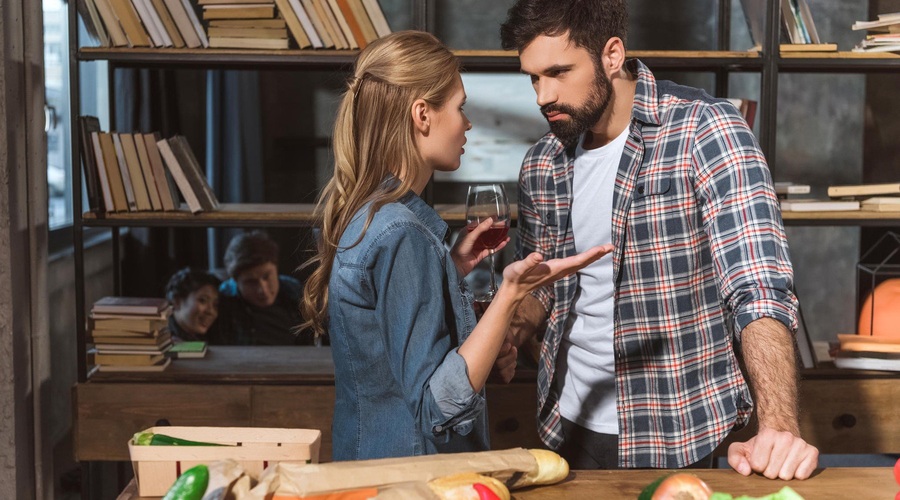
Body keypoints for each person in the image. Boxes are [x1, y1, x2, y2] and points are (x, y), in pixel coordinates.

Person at [498, 0, 819, 479]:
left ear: (611, 55)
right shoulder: (542, 163)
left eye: (559, 72)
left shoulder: (706, 130)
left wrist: (778, 425)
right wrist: (510, 328)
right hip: (565, 426)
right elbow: (543, 286)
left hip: (680, 430)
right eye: (533, 78)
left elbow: (758, 288)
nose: (543, 95)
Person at [300, 30, 612, 461]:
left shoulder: (375, 215)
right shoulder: (400, 233)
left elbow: (391, 345)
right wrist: (509, 296)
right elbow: (437, 407)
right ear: (422, 115)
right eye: (460, 107)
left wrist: (449, 269)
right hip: (410, 478)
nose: (467, 123)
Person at [218, 231, 316, 346]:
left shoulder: (293, 291)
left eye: (267, 276)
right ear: (236, 282)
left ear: (276, 268)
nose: (262, 290)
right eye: (251, 282)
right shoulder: (223, 300)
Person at [164, 267, 223, 343]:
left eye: (215, 305)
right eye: (202, 300)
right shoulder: (163, 341)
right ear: (177, 301)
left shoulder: (196, 338)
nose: (211, 311)